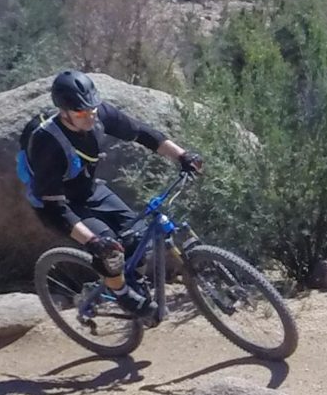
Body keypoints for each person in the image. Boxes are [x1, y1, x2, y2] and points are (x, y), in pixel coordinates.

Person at [18, 70, 203, 314]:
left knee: (137, 238)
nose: (90, 115)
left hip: (90, 190)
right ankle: (122, 294)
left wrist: (182, 155)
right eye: (81, 112)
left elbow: (142, 133)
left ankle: (130, 280)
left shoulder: (99, 114)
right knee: (110, 250)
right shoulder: (47, 142)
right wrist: (93, 241)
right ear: (64, 113)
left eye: (92, 108)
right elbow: (54, 208)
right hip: (60, 205)